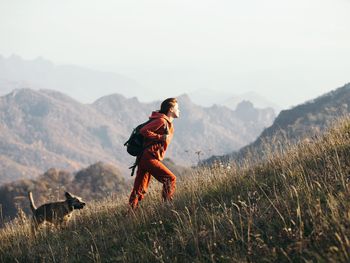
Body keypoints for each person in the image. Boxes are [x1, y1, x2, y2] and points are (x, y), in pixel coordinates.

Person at [129, 98, 180, 209]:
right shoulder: (161, 121)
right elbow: (144, 130)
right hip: (149, 157)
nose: (179, 110)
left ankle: (130, 213)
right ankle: (167, 207)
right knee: (170, 179)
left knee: (139, 189)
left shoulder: (166, 122)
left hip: (144, 157)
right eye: (177, 108)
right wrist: (160, 137)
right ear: (171, 109)